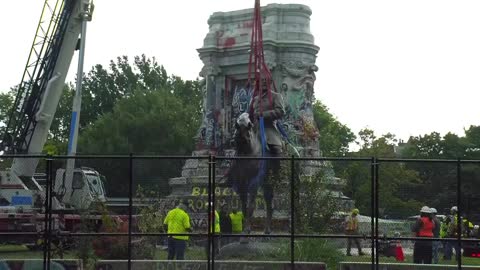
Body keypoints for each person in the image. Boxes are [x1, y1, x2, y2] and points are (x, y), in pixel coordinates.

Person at [249, 78, 285, 233]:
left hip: (269, 131)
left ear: (269, 83)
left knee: (276, 148)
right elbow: (251, 115)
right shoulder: (255, 99)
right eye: (260, 82)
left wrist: (265, 114)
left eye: (265, 82)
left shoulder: (276, 96)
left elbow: (281, 111)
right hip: (256, 133)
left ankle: (279, 172)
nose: (262, 84)